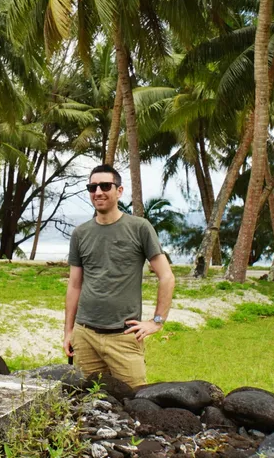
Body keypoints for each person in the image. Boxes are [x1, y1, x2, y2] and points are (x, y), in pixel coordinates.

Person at [63, 164, 175, 388]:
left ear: (119, 191)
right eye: (92, 187)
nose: (98, 192)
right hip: (85, 336)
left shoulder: (139, 228)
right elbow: (75, 285)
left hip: (124, 338)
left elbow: (166, 277)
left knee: (134, 402)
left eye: (105, 186)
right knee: (85, 404)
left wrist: (157, 322)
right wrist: (68, 331)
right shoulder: (80, 233)